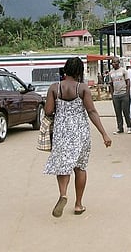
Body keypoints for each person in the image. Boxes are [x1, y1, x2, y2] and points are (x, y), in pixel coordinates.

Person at [43, 57, 112, 217]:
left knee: (62, 165)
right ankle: (78, 204)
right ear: (80, 71)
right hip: (80, 132)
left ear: (65, 69)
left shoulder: (54, 88)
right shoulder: (82, 88)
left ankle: (63, 194)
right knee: (80, 167)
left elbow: (48, 111)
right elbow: (92, 112)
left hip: (61, 132)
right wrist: (104, 134)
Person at [109, 57, 131, 134]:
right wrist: (112, 95)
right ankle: (120, 128)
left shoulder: (123, 71)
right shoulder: (111, 73)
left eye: (115, 62)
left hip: (124, 94)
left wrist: (127, 93)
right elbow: (111, 85)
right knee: (117, 112)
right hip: (116, 95)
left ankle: (129, 127)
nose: (114, 64)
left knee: (125, 111)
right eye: (112, 62)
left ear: (118, 63)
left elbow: (128, 82)